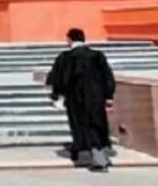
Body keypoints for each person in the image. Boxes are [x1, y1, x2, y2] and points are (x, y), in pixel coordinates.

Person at [47, 28, 117, 173]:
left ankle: (98, 160)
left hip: (76, 99)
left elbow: (60, 79)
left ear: (69, 39)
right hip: (96, 98)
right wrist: (108, 96)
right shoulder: (97, 56)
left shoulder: (66, 57)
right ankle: (92, 153)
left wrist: (56, 95)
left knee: (81, 127)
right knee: (96, 126)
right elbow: (108, 77)